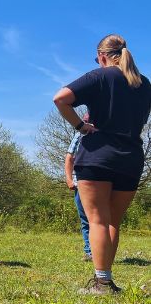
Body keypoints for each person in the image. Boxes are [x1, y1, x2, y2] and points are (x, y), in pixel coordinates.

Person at [54, 34, 151, 294]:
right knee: (112, 223)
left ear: (102, 56)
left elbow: (60, 99)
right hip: (131, 158)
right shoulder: (144, 84)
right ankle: (106, 280)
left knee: (97, 221)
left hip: (98, 156)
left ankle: (102, 282)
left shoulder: (99, 76)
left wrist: (80, 126)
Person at [65, 112, 92, 261]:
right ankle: (89, 251)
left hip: (101, 183)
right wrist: (69, 180)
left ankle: (102, 251)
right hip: (80, 183)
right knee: (85, 219)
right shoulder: (80, 136)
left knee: (101, 219)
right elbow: (69, 157)